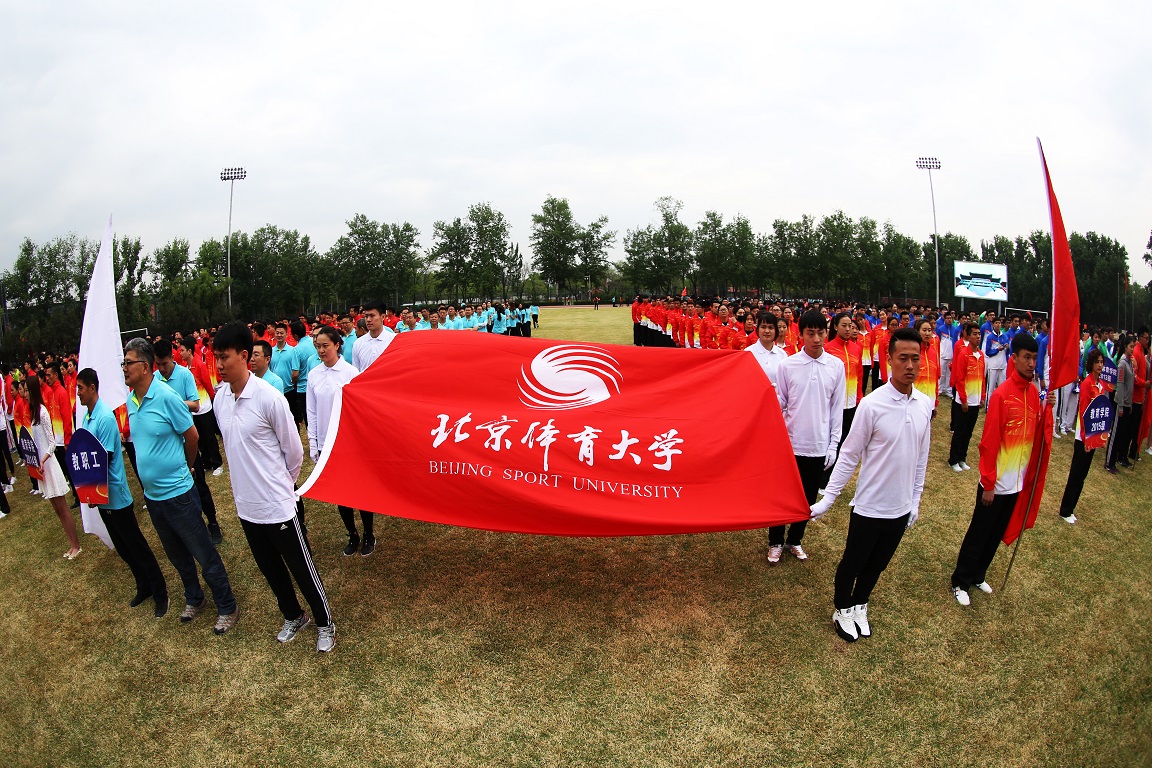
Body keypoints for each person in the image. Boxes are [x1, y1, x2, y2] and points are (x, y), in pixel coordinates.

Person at [212, 323, 335, 652]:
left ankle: (325, 622)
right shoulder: (220, 398)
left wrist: (280, 485)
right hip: (246, 506)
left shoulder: (269, 398)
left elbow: (293, 452)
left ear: (243, 356)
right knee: (270, 568)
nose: (219, 365)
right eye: (216, 358)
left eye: (224, 357)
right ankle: (293, 615)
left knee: (301, 567)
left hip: (277, 504)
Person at [810, 327, 932, 642]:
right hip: (869, 506)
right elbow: (849, 456)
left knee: (878, 564)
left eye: (915, 358)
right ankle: (842, 608)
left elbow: (921, 458)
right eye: (902, 358)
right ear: (889, 359)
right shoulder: (872, 404)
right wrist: (828, 498)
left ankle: (860, 603)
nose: (909, 365)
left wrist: (914, 501)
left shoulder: (924, 404)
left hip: (900, 508)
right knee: (853, 562)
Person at [123, 338, 239, 634]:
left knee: (202, 551)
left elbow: (192, 436)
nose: (124, 368)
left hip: (178, 494)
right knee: (177, 555)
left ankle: (227, 605)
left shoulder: (166, 397)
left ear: (145, 366)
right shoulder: (131, 401)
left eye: (128, 362)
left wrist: (185, 467)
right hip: (154, 498)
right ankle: (194, 597)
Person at [950, 333, 1040, 607]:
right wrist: (988, 483)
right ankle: (961, 580)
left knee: (996, 533)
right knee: (980, 532)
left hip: (1016, 481)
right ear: (1014, 359)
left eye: (1034, 358)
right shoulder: (1002, 395)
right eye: (1026, 357)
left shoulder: (1033, 394)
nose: (1031, 363)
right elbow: (989, 444)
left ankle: (979, 573)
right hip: (996, 482)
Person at [75, 368, 168, 616]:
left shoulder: (104, 417)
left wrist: (91, 489)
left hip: (115, 494)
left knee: (136, 545)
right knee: (123, 547)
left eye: (80, 388)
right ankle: (143, 585)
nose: (78, 393)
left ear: (92, 388)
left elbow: (104, 458)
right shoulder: (87, 418)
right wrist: (89, 493)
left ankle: (160, 592)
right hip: (101, 497)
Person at [768, 311, 845, 564]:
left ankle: (795, 539)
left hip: (818, 444)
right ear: (800, 334)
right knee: (782, 495)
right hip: (791, 443)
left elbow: (836, 409)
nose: (816, 339)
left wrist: (833, 445)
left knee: (808, 498)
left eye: (821, 333)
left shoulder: (836, 366)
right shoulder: (788, 365)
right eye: (810, 333)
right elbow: (781, 401)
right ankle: (775, 541)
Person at [308, 326, 375, 556]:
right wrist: (314, 442)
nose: (321, 350)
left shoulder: (351, 373)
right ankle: (352, 534)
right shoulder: (314, 374)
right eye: (318, 346)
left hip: (350, 441)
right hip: (327, 442)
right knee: (339, 492)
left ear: (337, 345)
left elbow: (360, 411)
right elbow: (312, 411)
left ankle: (368, 534)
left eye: (325, 345)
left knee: (360, 490)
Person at [154, 340, 223, 546]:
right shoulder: (155, 379)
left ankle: (213, 522)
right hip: (168, 445)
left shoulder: (184, 375)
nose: (162, 369)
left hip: (186, 440)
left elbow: (195, 405)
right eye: (158, 364)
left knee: (199, 484)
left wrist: (173, 403)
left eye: (165, 363)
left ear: (172, 358)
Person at [26, 375, 80, 555]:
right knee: (57, 509)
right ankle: (71, 544)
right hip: (42, 466)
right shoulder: (34, 413)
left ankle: (76, 545)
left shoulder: (42, 412)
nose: (25, 394)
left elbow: (51, 442)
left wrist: (43, 459)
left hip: (49, 464)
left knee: (62, 507)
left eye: (26, 390)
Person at [1058, 348, 1110, 523]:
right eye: (1097, 362)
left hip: (1093, 437)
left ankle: (1071, 508)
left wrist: (1101, 436)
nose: (1100, 365)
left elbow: (1100, 413)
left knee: (1082, 476)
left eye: (1102, 362)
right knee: (1076, 474)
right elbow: (1083, 412)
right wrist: (1087, 438)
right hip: (1083, 438)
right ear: (1091, 364)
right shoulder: (1087, 384)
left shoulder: (1100, 385)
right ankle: (1065, 510)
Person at [178, 337, 223, 477]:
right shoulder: (185, 368)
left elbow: (208, 384)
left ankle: (217, 463)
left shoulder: (199, 365)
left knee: (209, 437)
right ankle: (206, 462)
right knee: (200, 438)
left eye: (182, 350)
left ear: (189, 351)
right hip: (193, 410)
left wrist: (212, 398)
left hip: (204, 408)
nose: (180, 353)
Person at [948, 323, 984, 472]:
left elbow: (982, 378)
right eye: (974, 334)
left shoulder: (981, 355)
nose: (978, 337)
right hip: (964, 401)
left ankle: (962, 458)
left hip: (975, 400)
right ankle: (953, 460)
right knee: (960, 432)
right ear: (968, 336)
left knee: (968, 432)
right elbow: (960, 378)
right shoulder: (964, 354)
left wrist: (982, 396)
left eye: (979, 334)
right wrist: (963, 399)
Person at [1104, 335, 1137, 473]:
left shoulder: (1130, 362)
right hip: (1120, 403)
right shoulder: (1122, 363)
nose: (1132, 349)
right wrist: (1122, 405)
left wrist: (1129, 404)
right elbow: (1121, 384)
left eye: (1134, 347)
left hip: (1128, 403)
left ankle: (1115, 460)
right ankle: (1108, 462)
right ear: (1125, 347)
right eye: (1130, 346)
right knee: (1115, 433)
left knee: (1121, 434)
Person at [352, 300, 395, 373]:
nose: (368, 320)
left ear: (383, 317)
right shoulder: (358, 343)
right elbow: (356, 372)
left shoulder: (393, 340)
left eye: (372, 316)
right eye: (366, 316)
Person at [745, 311, 787, 385]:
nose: (767, 331)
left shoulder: (782, 354)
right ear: (757, 329)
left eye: (771, 327)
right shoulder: (748, 353)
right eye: (763, 327)